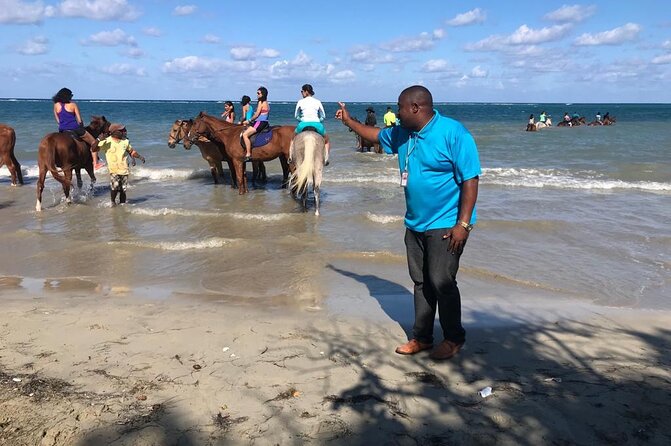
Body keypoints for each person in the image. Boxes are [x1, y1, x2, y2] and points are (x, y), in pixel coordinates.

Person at [335, 85, 481, 360]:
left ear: (416, 108)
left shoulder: (453, 133)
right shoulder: (403, 133)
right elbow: (375, 135)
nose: (396, 113)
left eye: (400, 107)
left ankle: (453, 338)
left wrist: (463, 225)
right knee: (421, 282)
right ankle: (422, 338)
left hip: (447, 223)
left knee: (442, 281)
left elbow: (470, 179)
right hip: (415, 223)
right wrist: (348, 120)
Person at [52, 87, 104, 169]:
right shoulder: (73, 105)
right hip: (75, 128)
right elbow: (79, 120)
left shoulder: (56, 105)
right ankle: (96, 163)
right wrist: (82, 126)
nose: (71, 96)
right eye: (71, 95)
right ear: (67, 96)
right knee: (94, 143)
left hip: (62, 130)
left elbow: (58, 121)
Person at [96, 123, 145, 205]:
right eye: (122, 131)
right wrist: (98, 140)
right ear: (115, 132)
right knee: (114, 188)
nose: (124, 132)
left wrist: (140, 157)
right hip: (113, 170)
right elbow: (94, 148)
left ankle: (122, 204)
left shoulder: (125, 141)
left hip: (124, 170)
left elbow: (131, 151)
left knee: (123, 189)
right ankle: (113, 202)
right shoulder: (107, 141)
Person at [294, 83, 330, 165]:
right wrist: (318, 120)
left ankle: (290, 157)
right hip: (317, 124)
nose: (301, 93)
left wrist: (302, 119)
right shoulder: (317, 101)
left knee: (293, 139)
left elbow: (296, 115)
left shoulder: (300, 102)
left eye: (302, 91)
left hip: (303, 124)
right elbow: (323, 116)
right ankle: (326, 158)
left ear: (306, 91)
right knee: (327, 141)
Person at [241, 87, 269, 162]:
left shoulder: (260, 102)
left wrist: (248, 121)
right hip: (265, 122)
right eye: (257, 93)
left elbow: (256, 115)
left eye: (258, 93)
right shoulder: (266, 102)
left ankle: (248, 153)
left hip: (260, 122)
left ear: (263, 94)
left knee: (245, 135)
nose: (257, 95)